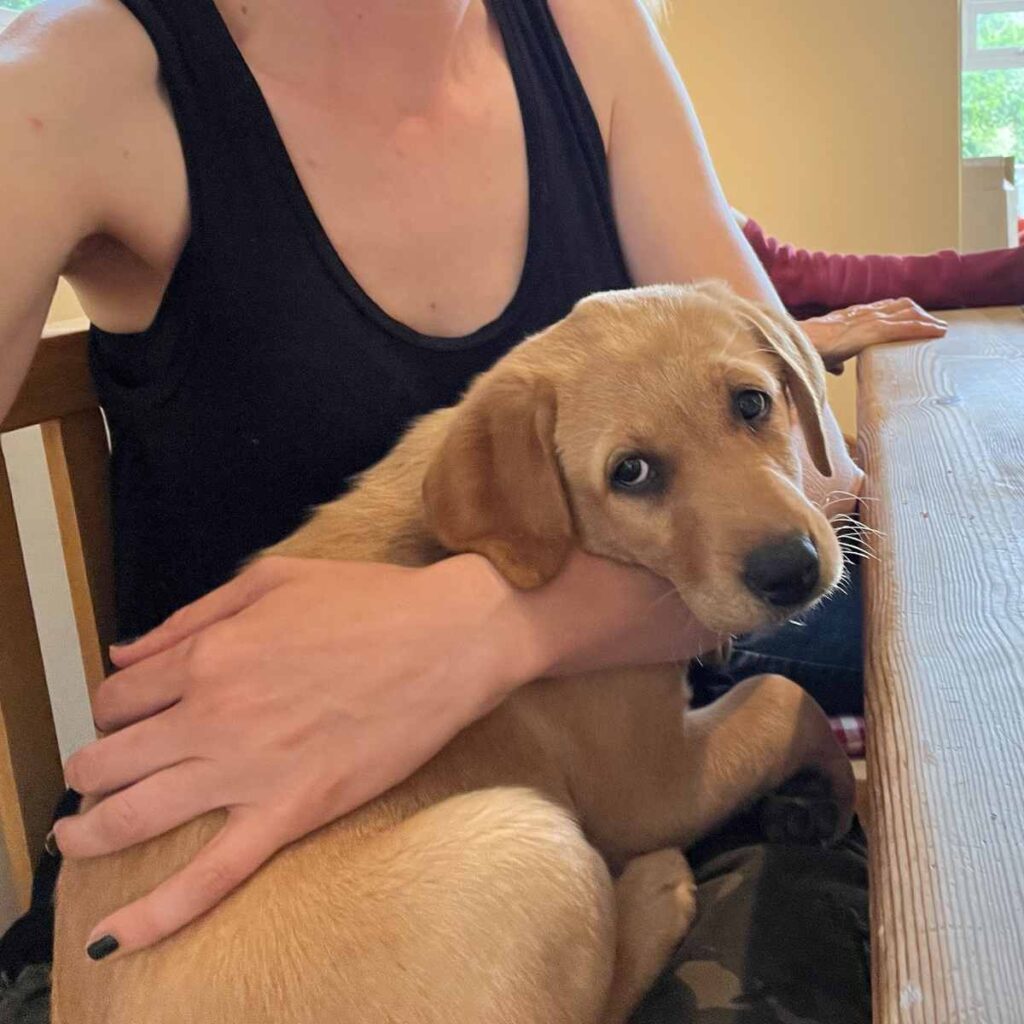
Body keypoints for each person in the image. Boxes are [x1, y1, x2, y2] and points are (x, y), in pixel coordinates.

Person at [0, 1, 948, 1020]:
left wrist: (493, 628)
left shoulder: (589, 32)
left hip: (559, 764)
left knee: (960, 660)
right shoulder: (63, 81)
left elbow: (801, 478)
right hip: (244, 875)